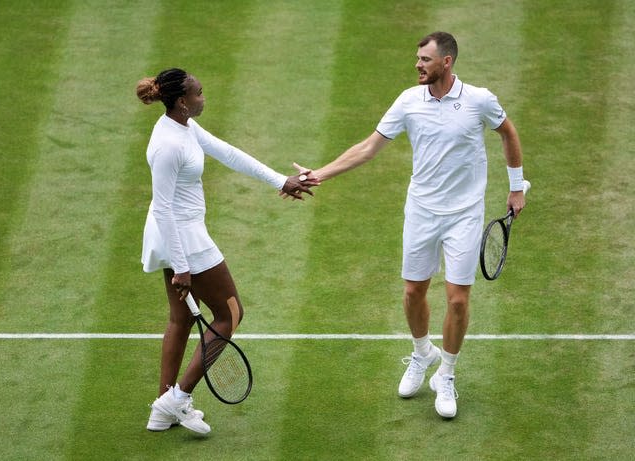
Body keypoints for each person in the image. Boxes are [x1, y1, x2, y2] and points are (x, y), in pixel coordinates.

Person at [295, 32, 525, 418]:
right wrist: (319, 175)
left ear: (446, 62)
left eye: (425, 59)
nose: (418, 65)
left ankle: (446, 375)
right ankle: (422, 354)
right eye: (418, 59)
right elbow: (368, 148)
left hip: (464, 214)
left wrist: (517, 188)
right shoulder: (407, 102)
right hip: (421, 211)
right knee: (413, 292)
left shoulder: (478, 101)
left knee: (457, 299)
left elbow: (508, 133)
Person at [135, 68, 318, 435]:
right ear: (183, 101)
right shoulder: (168, 145)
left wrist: (280, 180)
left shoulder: (183, 126)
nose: (204, 97)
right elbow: (163, 208)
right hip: (182, 237)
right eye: (199, 93)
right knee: (230, 314)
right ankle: (178, 397)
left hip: (176, 235)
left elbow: (229, 154)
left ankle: (162, 410)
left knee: (181, 319)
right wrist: (183, 267)